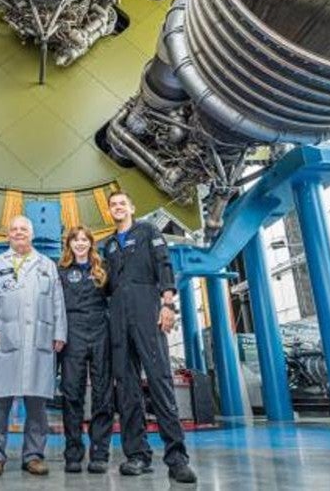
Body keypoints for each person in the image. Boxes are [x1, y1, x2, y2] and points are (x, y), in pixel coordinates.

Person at [101, 191, 197, 483]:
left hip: (146, 309)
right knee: (127, 389)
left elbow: (163, 264)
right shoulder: (108, 245)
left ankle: (177, 458)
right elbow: (106, 285)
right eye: (113, 205)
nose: (118, 207)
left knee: (160, 382)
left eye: (122, 203)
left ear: (131, 207)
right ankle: (137, 455)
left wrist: (167, 303)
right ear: (109, 212)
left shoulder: (148, 231)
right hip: (117, 316)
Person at [0, 215, 67, 477]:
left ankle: (33, 455)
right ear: (8, 235)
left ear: (31, 234)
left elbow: (57, 301)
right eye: (14, 229)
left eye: (23, 229)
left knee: (37, 405)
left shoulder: (46, 265)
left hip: (39, 340)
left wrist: (59, 332)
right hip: (5, 339)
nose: (19, 233)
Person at [57, 225, 114, 474]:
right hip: (72, 334)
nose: (80, 243)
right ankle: (73, 453)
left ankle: (100, 453)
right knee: (72, 395)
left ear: (91, 244)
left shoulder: (102, 271)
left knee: (103, 394)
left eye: (84, 240)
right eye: (75, 240)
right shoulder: (60, 272)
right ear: (68, 244)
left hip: (101, 332)